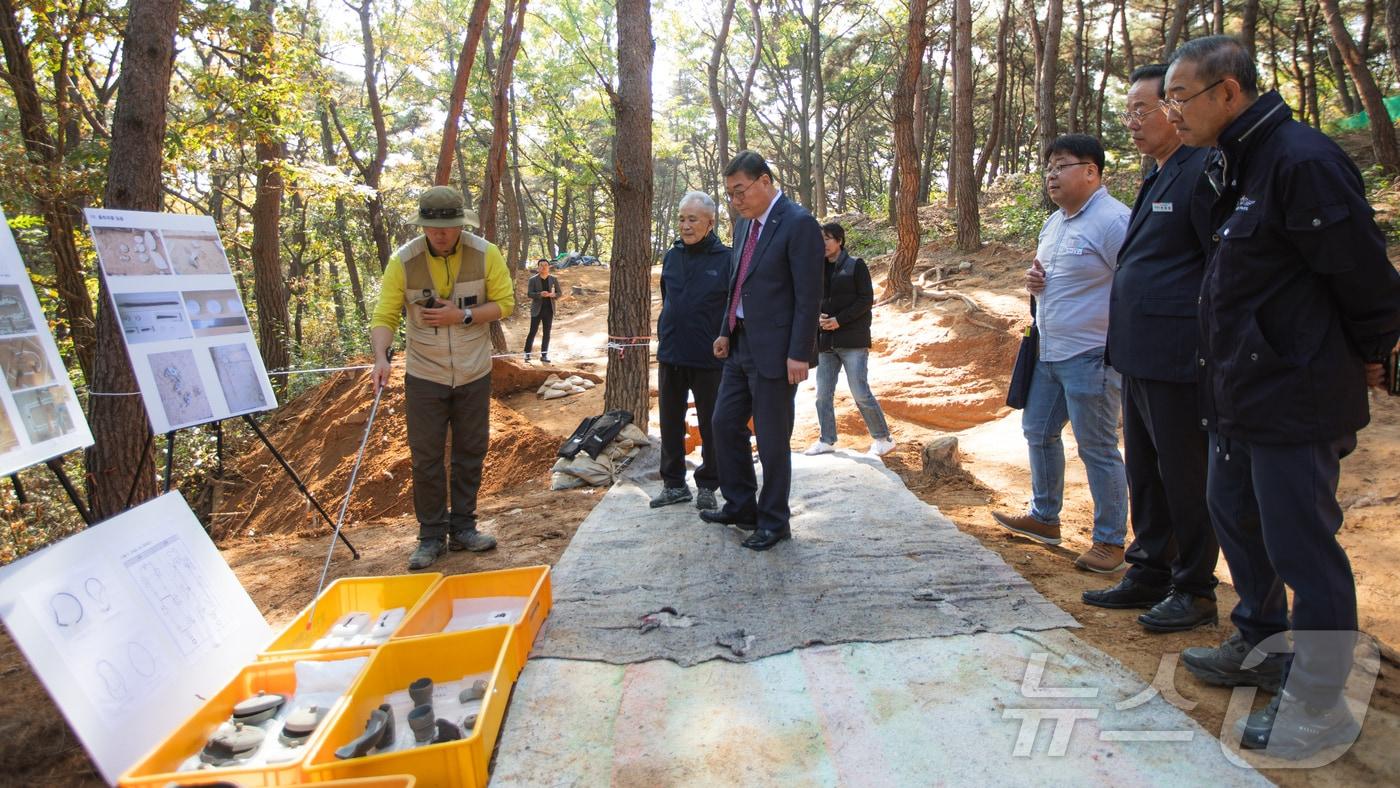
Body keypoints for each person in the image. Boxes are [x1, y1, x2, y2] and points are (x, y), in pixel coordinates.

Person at [1163, 35, 1400, 758]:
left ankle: (1321, 700)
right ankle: (1260, 643)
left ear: (1227, 92)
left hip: (1294, 394)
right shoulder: (1235, 163)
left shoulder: (1301, 161)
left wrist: (1370, 355)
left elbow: (1365, 280)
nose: (1173, 111)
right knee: (1235, 516)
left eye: (1181, 96)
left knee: (1302, 545)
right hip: (1240, 389)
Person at [1083, 64, 1220, 634]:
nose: (1133, 122)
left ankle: (1194, 586)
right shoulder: (1157, 173)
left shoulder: (1203, 170)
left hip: (1179, 355)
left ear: (1176, 108)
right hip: (1138, 354)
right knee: (1146, 470)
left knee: (1184, 473)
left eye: (1144, 109)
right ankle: (1149, 568)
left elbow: (1216, 266)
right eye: (1129, 111)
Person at [992, 134, 1131, 573]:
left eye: (1063, 165)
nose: (1051, 174)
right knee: (1038, 431)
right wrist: (1035, 284)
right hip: (1049, 354)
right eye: (1048, 165)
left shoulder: (1113, 221)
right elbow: (1047, 278)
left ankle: (1110, 541)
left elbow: (1133, 286)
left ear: (1091, 172)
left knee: (1097, 448)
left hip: (1092, 353)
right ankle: (1044, 517)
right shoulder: (1054, 223)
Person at [369, 186, 515, 570]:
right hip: (424, 373)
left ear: (459, 224)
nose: (440, 235)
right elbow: (384, 315)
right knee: (426, 456)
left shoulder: (486, 253)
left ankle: (464, 527)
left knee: (471, 451)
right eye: (433, 228)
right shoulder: (404, 260)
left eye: (448, 227)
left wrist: (463, 316)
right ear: (423, 226)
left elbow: (506, 304)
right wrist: (380, 357)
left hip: (473, 370)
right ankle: (431, 536)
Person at [702, 150, 824, 551]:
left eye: (740, 191)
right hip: (739, 344)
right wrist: (725, 329)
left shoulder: (799, 224)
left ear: (765, 181)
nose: (735, 200)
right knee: (723, 423)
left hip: (776, 351)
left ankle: (774, 521)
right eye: (730, 194)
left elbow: (809, 296)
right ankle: (740, 505)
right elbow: (737, 284)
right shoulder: (743, 228)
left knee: (772, 439)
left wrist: (800, 353)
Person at [651, 191, 731, 512]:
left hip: (709, 357)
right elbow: (668, 297)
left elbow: (733, 309)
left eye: (692, 219)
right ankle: (673, 485)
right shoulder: (671, 257)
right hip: (671, 352)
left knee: (713, 424)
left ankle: (709, 484)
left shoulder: (727, 259)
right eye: (682, 218)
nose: (685, 225)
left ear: (710, 223)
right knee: (670, 421)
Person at [803, 222, 895, 458]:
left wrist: (839, 320)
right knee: (822, 394)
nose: (822, 244)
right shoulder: (815, 269)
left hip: (853, 341)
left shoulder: (856, 266)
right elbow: (811, 300)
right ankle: (827, 440)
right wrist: (819, 316)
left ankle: (883, 439)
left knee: (860, 392)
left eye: (827, 239)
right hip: (826, 342)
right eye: (820, 239)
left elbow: (866, 300)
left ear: (840, 241)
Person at [524, 259, 560, 363]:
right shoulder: (533, 280)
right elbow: (529, 294)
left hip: (549, 310)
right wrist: (540, 294)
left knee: (547, 333)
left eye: (545, 265)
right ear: (538, 267)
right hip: (537, 310)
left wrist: (554, 295)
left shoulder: (553, 279)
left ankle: (544, 355)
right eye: (541, 265)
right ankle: (527, 353)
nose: (543, 267)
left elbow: (559, 293)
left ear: (549, 267)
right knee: (532, 332)